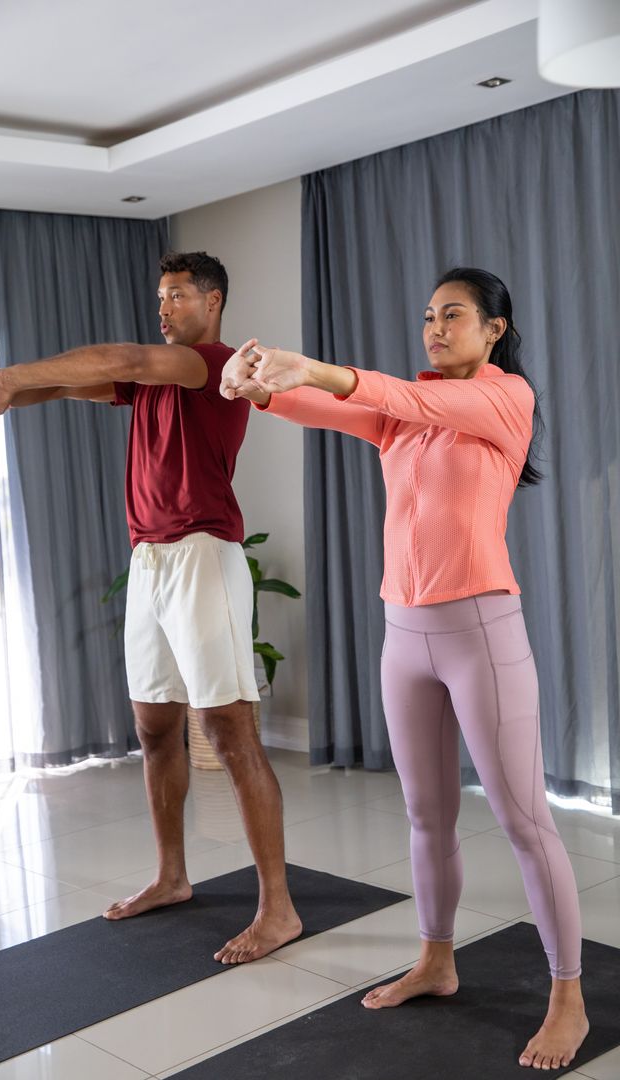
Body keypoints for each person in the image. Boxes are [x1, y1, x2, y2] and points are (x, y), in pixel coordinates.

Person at [219, 267, 589, 1068]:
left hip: (480, 633)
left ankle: (568, 997)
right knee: (426, 818)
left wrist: (315, 366)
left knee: (526, 823)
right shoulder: (405, 417)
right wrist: (254, 385)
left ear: (494, 329)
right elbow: (334, 407)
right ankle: (437, 958)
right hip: (405, 637)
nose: (434, 327)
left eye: (452, 315)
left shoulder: (503, 401)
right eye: (426, 315)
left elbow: (385, 393)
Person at [0, 250, 301, 964]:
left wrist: (7, 373)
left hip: (205, 555)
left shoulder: (206, 364)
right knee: (154, 727)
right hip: (149, 560)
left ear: (213, 303)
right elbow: (66, 386)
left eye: (177, 295)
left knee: (231, 731)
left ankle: (279, 908)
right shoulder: (150, 381)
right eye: (161, 297)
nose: (165, 307)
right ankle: (172, 876)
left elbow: (122, 356)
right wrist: (0, 396)